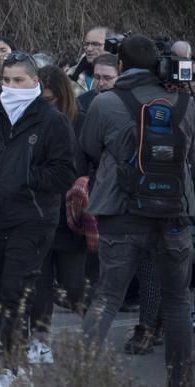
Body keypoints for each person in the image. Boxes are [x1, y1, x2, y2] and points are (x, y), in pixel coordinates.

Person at [79, 36, 195, 387]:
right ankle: (179, 380)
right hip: (174, 215)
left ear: (121, 67)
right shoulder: (186, 103)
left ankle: (80, 375)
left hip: (120, 213)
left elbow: (89, 148)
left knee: (107, 297)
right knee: (177, 302)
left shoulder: (106, 102)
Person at [0, 51, 76, 384]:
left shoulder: (52, 122)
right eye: (6, 81)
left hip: (32, 219)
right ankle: (15, 358)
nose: (11, 87)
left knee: (14, 290)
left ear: (34, 82)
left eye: (18, 80)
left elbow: (63, 173)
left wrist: (15, 171)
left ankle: (12, 366)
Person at [28, 65, 87, 365]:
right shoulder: (32, 122)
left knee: (73, 284)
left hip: (71, 217)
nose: (44, 104)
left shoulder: (81, 122)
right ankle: (40, 340)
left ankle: (91, 335)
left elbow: (93, 161)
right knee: (39, 281)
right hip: (39, 212)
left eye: (49, 99)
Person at [69, 26, 114, 95]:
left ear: (111, 46)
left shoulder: (121, 75)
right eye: (86, 44)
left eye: (96, 44)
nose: (89, 49)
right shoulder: (71, 73)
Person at [78, 53, 119, 119]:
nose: (101, 83)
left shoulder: (128, 105)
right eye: (97, 77)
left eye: (107, 78)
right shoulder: (80, 103)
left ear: (119, 77)